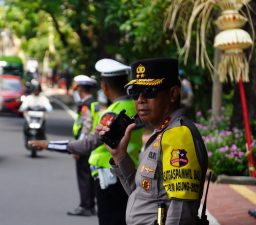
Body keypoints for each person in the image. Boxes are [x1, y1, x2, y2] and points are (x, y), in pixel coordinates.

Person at [30, 59, 143, 225]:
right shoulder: (135, 107)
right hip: (128, 171)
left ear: (105, 87)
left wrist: (49, 145)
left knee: (110, 220)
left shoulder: (112, 113)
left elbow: (89, 144)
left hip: (109, 176)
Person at [99, 58, 208, 225]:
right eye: (135, 92)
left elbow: (181, 214)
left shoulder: (178, 135)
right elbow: (141, 193)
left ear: (172, 93)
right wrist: (120, 156)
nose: (140, 99)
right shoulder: (162, 132)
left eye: (149, 91)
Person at [69, 75, 98, 216]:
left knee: (84, 176)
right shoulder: (94, 102)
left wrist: (78, 147)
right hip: (92, 145)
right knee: (89, 176)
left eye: (76, 86)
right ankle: (90, 205)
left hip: (85, 145)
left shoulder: (86, 105)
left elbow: (86, 127)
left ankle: (85, 206)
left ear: (80, 88)